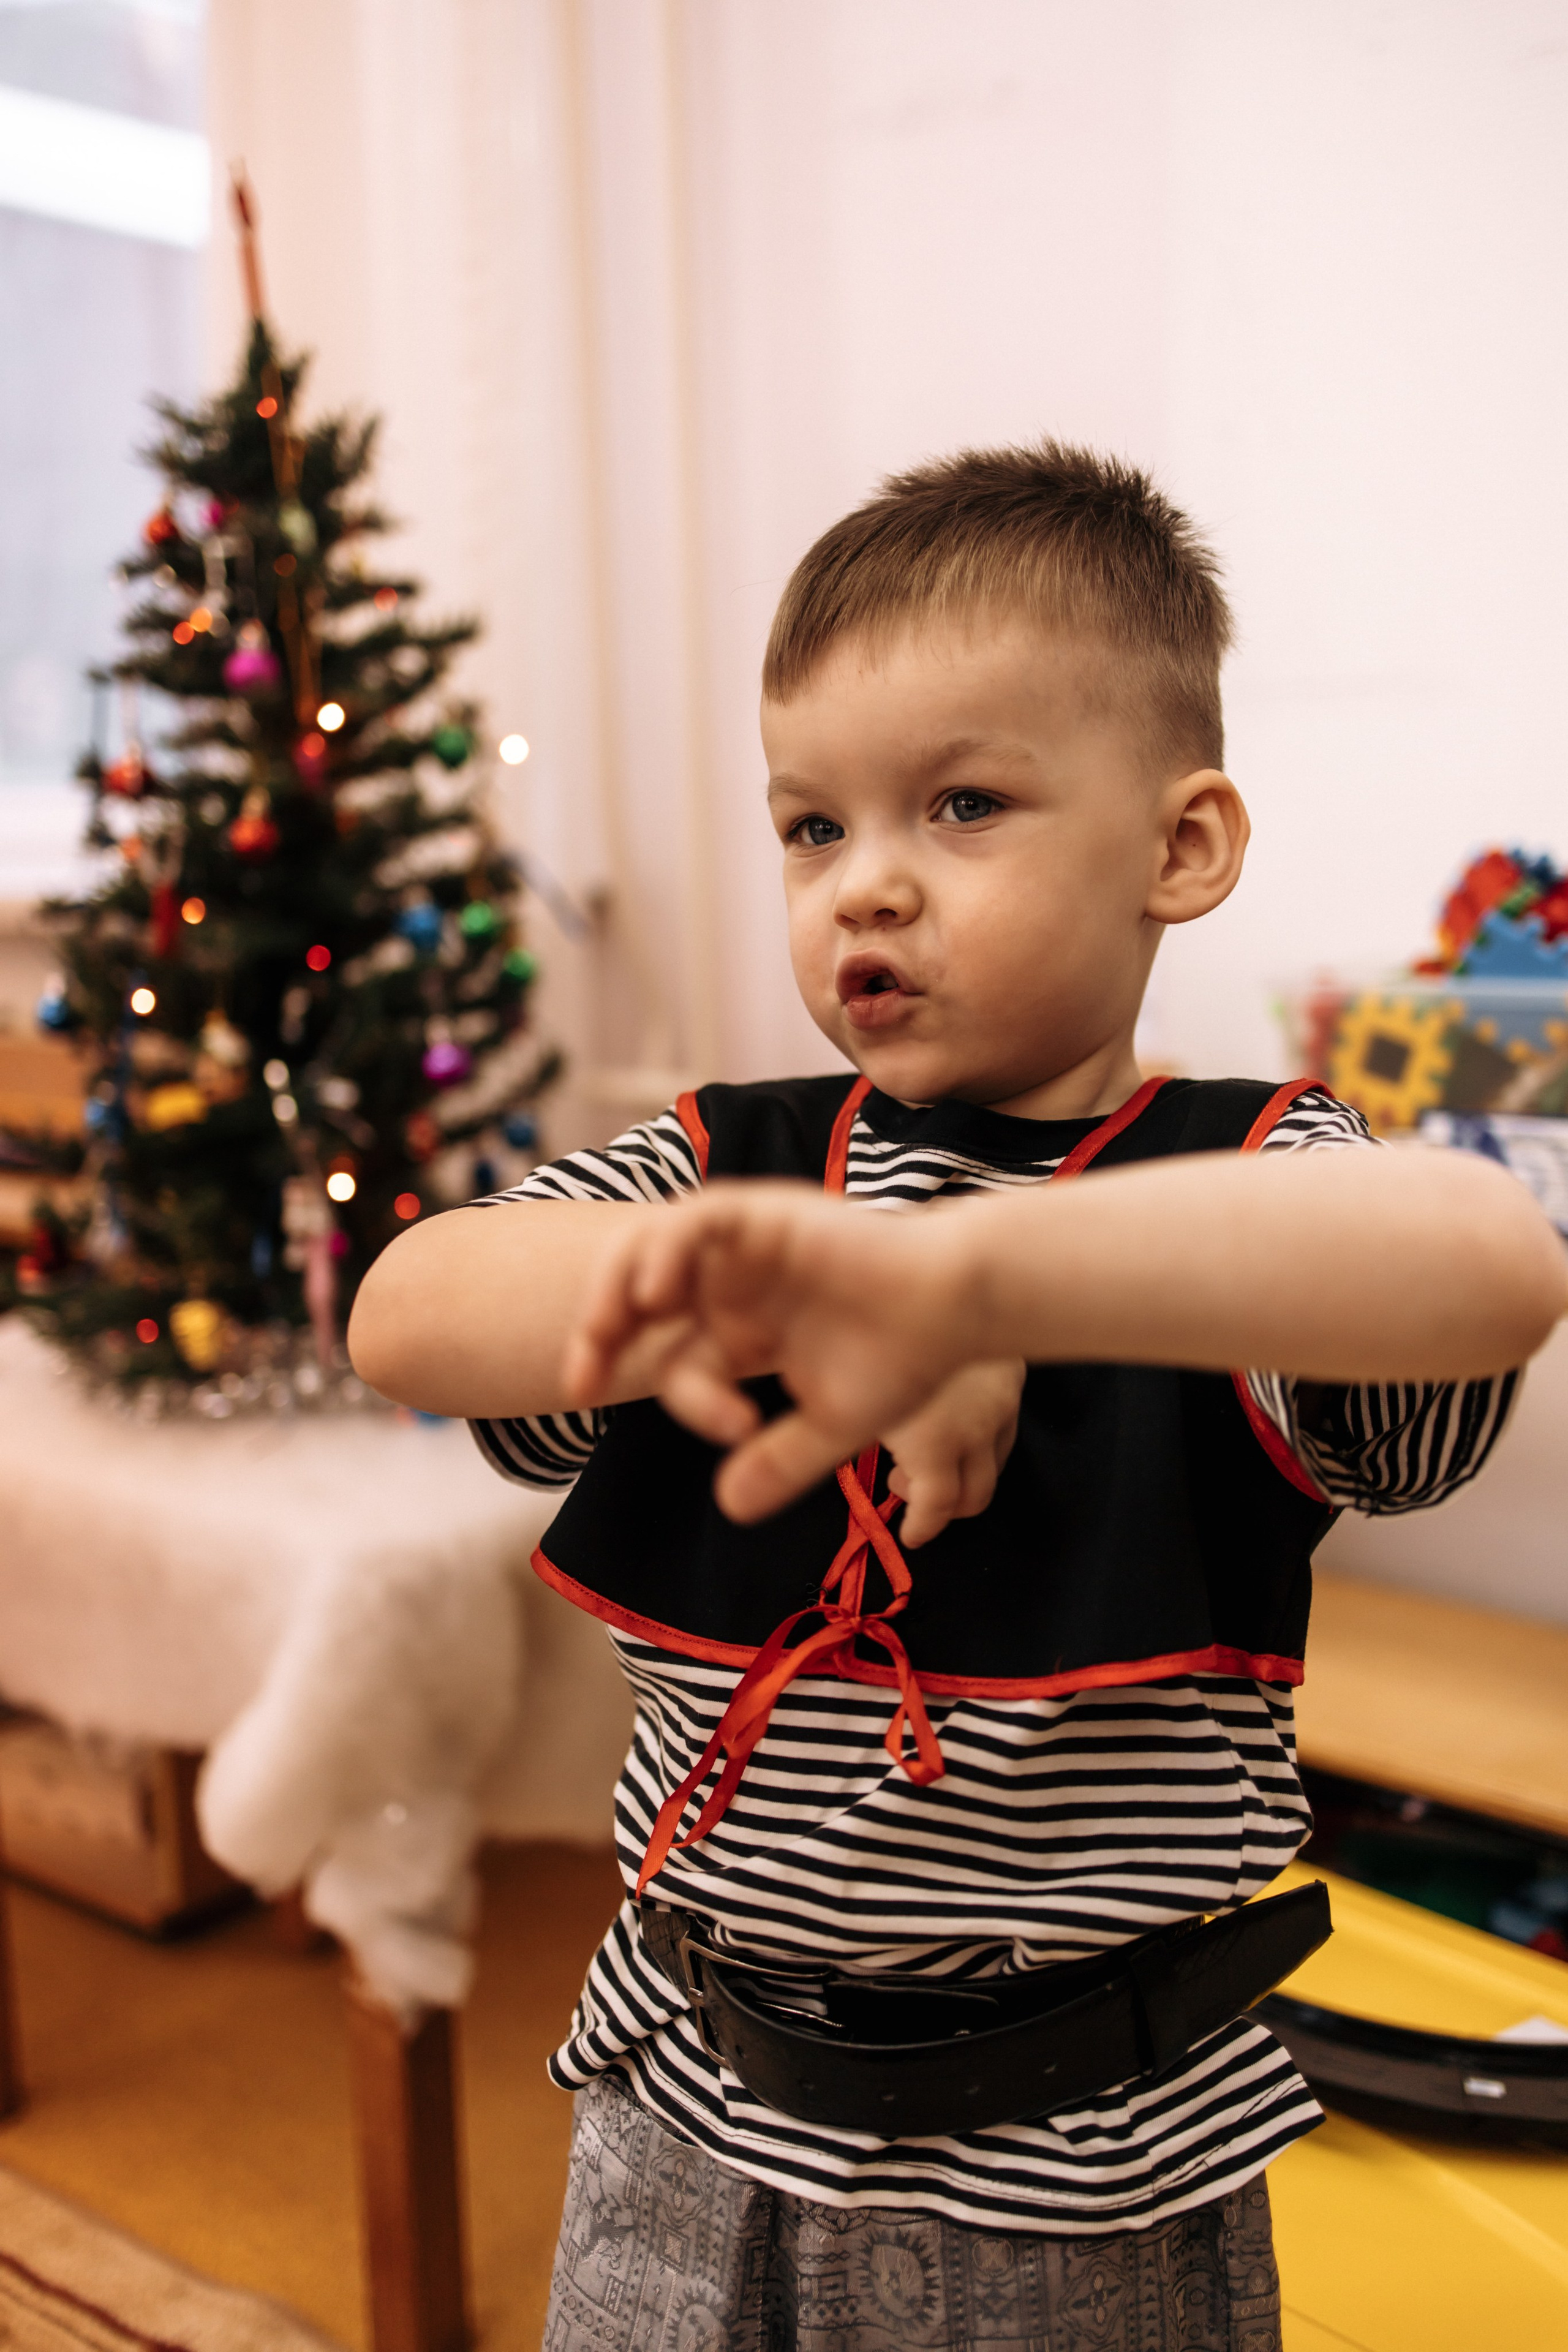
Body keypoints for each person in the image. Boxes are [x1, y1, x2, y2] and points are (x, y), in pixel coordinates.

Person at [350, 442, 1562, 2352]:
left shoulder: (1247, 1174)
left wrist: (975, 1277)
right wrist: (767, 1280)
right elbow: (406, 1312)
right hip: (689, 2103)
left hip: (1077, 2168)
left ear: (1182, 848)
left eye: (963, 804)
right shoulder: (727, 1167)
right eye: (811, 828)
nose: (869, 889)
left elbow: (1489, 1273)